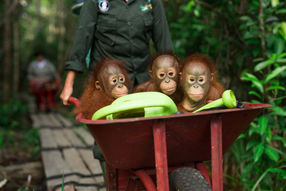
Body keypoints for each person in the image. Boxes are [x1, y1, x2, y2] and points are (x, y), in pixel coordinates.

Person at [60, 0, 173, 105]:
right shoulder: (96, 2)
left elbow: (164, 43)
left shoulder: (150, 2)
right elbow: (82, 39)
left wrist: (173, 83)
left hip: (141, 81)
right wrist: (69, 84)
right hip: (107, 84)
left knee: (142, 123)